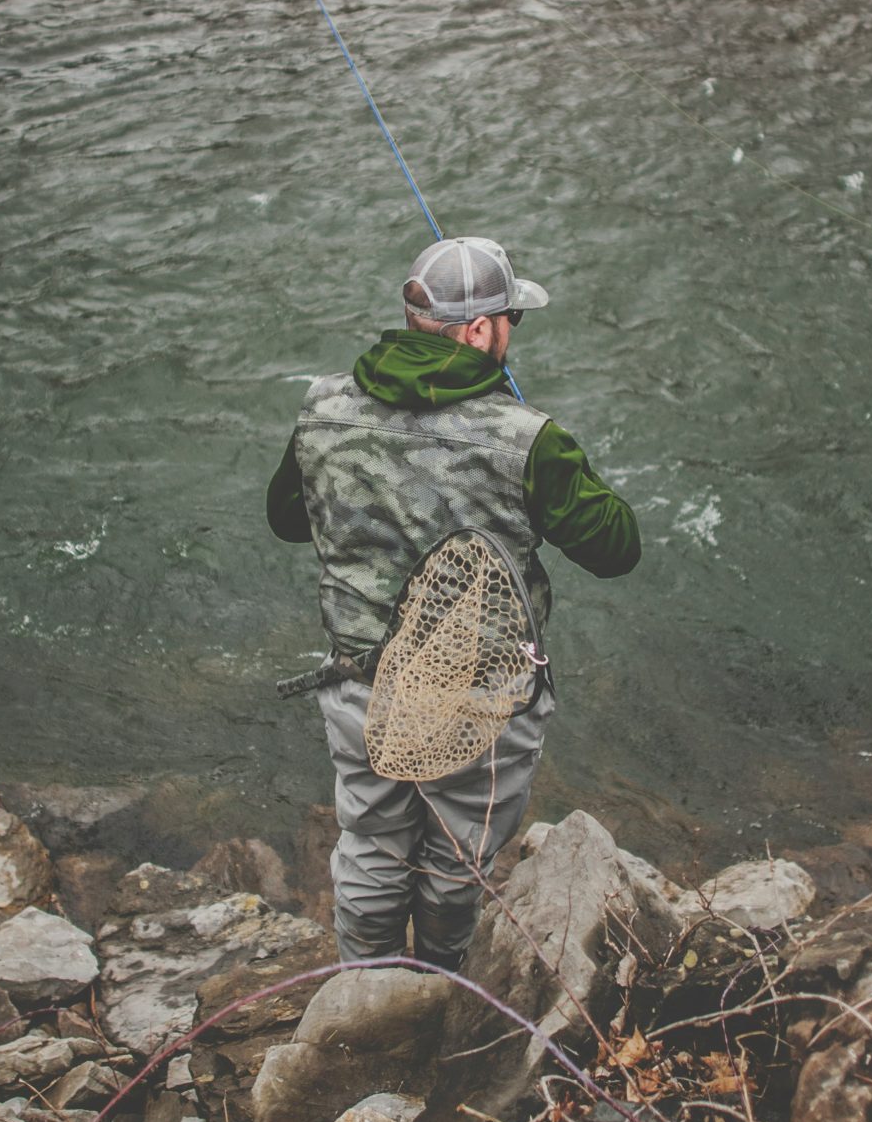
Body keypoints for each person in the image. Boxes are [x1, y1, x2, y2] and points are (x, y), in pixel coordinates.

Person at [267, 235, 640, 968]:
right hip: (481, 700)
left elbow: (286, 520)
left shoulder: (322, 407)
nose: (512, 333)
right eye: (511, 320)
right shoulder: (532, 442)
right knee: (456, 858)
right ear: (478, 332)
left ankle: (368, 989)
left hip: (357, 684)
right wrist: (543, 452)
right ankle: (442, 985)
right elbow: (616, 548)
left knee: (372, 843)